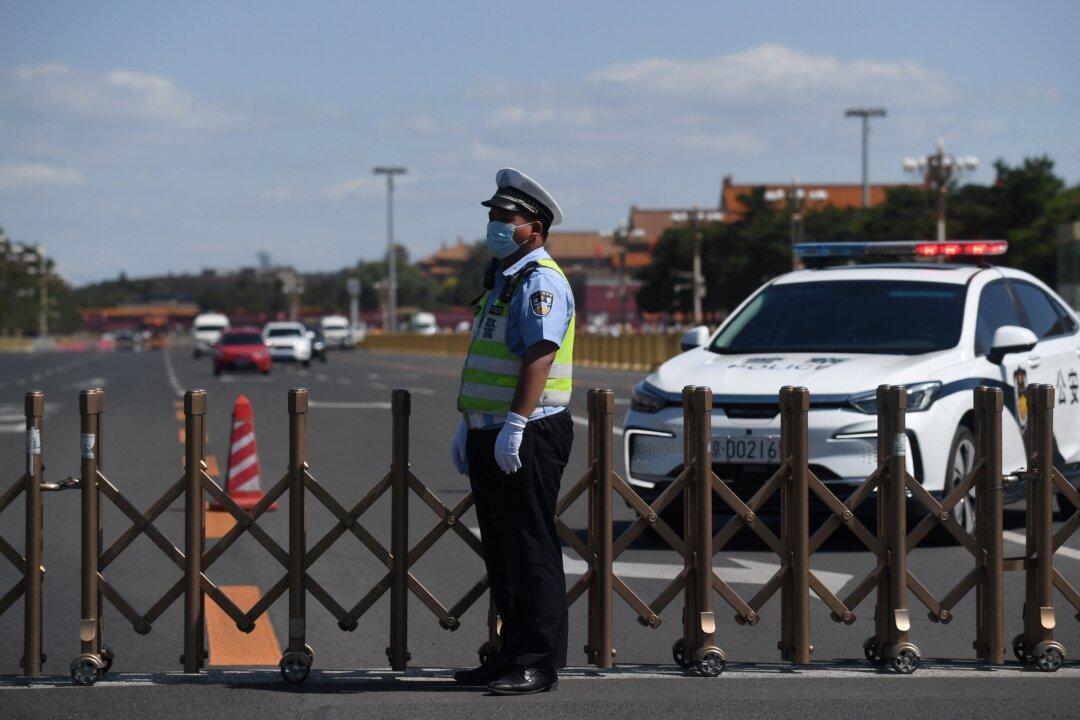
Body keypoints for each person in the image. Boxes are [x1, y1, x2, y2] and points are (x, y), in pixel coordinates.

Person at [451, 168, 575, 695]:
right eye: (493, 216)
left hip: (528, 430)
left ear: (535, 227)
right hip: (491, 429)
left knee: (530, 547)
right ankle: (508, 654)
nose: (495, 225)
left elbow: (539, 356)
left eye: (507, 218)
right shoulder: (504, 278)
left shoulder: (540, 280)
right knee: (502, 550)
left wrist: (517, 424)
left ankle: (537, 661)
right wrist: (472, 425)